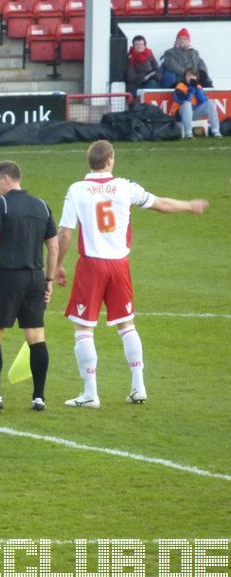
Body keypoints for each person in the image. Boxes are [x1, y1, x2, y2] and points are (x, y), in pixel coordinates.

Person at [55, 140, 209, 409]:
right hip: (119, 266)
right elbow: (161, 204)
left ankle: (90, 394)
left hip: (91, 265)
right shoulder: (126, 187)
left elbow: (65, 232)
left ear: (88, 161)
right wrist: (189, 205)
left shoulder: (77, 190)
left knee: (84, 327)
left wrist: (57, 264)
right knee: (127, 325)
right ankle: (139, 387)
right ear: (111, 159)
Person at [0, 161, 58, 413]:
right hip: (35, 277)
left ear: (7, 179)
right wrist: (49, 280)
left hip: (7, 276)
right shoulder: (42, 206)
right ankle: (39, 397)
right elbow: (53, 247)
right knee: (35, 336)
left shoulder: (1, 205)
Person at [169, 68, 223, 139]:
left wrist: (197, 89)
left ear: (196, 77)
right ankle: (188, 133)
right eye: (189, 76)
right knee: (187, 104)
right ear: (185, 77)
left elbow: (203, 101)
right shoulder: (180, 86)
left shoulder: (198, 87)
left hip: (193, 112)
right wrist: (191, 90)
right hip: (180, 114)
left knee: (210, 103)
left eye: (193, 76)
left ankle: (216, 131)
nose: (191, 78)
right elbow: (183, 100)